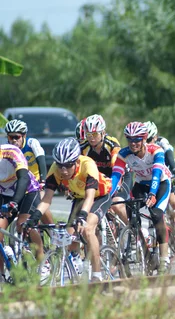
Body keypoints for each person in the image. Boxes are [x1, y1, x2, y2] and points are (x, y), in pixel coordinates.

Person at [26, 138, 112, 283]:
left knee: (87, 229)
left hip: (99, 196)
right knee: (70, 239)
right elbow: (47, 198)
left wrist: (83, 216)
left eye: (68, 166)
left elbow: (90, 197)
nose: (64, 171)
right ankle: (77, 270)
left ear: (76, 162)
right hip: (79, 198)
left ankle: (97, 275)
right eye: (60, 166)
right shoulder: (55, 170)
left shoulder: (87, 164)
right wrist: (34, 217)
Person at [110, 122, 173, 273]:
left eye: (137, 139)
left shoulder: (156, 151)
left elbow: (157, 175)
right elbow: (115, 176)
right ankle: (145, 251)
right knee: (131, 213)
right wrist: (108, 194)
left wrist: (152, 194)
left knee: (157, 215)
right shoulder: (124, 154)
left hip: (161, 184)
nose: (133, 143)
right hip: (141, 184)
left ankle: (164, 258)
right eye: (130, 139)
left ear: (144, 139)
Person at [0, 144, 44, 281]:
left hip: (27, 191)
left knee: (23, 224)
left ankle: (43, 260)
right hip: (5, 194)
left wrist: (14, 203)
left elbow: (23, 178)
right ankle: (2, 276)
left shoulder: (12, 152)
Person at [80, 114, 129, 223]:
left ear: (103, 133)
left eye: (95, 134)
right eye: (88, 134)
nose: (91, 138)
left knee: (116, 204)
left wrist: (112, 192)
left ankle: (135, 231)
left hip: (119, 176)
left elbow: (116, 169)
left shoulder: (111, 144)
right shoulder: (84, 148)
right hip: (100, 180)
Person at [4, 119, 53, 225]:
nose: (13, 140)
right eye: (10, 137)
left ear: (24, 135)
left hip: (35, 183)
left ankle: (52, 230)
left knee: (41, 205)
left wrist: (43, 180)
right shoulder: (7, 149)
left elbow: (41, 160)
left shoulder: (32, 143)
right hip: (19, 184)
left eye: (16, 137)